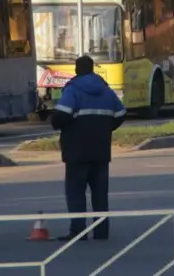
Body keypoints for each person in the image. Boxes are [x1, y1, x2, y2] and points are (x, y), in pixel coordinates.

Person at [50, 55, 126, 241]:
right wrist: (106, 127)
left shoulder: (73, 89)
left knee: (76, 192)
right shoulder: (105, 89)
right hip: (100, 150)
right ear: (92, 69)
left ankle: (78, 231)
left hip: (76, 151)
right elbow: (121, 112)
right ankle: (101, 232)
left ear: (76, 69)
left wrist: (58, 124)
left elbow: (61, 115)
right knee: (100, 193)